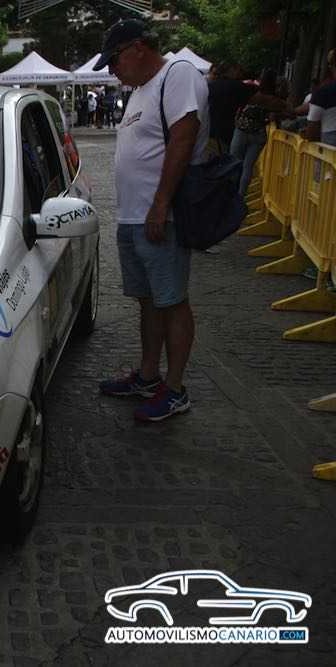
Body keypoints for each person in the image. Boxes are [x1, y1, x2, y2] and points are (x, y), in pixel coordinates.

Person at [92, 18, 210, 422]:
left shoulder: (178, 75)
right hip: (134, 217)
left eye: (114, 60)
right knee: (149, 301)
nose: (112, 70)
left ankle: (175, 389)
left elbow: (183, 139)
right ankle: (147, 376)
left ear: (138, 48)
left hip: (162, 217)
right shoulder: (142, 89)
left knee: (172, 301)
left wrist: (161, 204)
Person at [207, 62, 286, 157]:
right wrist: (287, 107)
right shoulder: (237, 86)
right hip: (225, 134)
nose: (241, 73)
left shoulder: (210, 86)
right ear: (232, 70)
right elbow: (262, 100)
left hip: (209, 133)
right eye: (239, 70)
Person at [231, 68, 282, 196]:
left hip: (242, 129)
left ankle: (231, 193)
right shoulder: (274, 99)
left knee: (234, 162)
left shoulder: (252, 92)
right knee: (248, 166)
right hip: (259, 133)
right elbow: (274, 116)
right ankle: (240, 195)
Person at [305, 50, 336, 146]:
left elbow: (311, 132)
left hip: (328, 149)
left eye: (330, 64)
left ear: (332, 65)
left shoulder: (323, 91)